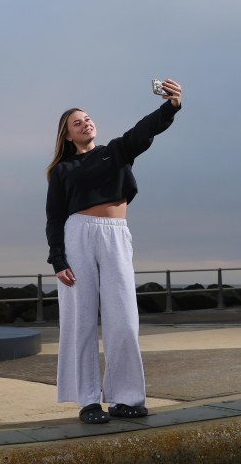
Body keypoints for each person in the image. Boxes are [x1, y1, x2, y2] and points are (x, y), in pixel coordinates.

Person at [45, 79, 182, 424]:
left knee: (124, 319)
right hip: (77, 237)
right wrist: (58, 260)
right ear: (67, 135)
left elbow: (143, 131)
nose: (85, 123)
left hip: (116, 235)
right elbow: (54, 218)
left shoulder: (114, 151)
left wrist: (171, 107)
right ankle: (88, 401)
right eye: (77, 122)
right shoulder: (62, 171)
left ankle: (126, 398)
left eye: (88, 118)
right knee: (81, 322)